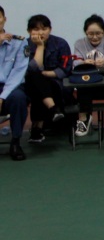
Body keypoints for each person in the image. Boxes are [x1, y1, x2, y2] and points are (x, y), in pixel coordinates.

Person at [24, 14, 71, 145]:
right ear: (29, 31)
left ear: (50, 29)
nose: (41, 32)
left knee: (38, 84)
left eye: (44, 29)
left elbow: (66, 68)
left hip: (55, 81)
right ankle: (53, 109)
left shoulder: (60, 43)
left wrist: (45, 74)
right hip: (30, 82)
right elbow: (30, 69)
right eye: (36, 29)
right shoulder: (24, 45)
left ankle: (37, 129)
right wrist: (39, 46)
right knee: (35, 80)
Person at [1, 6, 30, 160]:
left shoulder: (19, 42)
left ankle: (15, 142)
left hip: (10, 87)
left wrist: (2, 96)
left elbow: (18, 72)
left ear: (4, 19)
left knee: (19, 98)